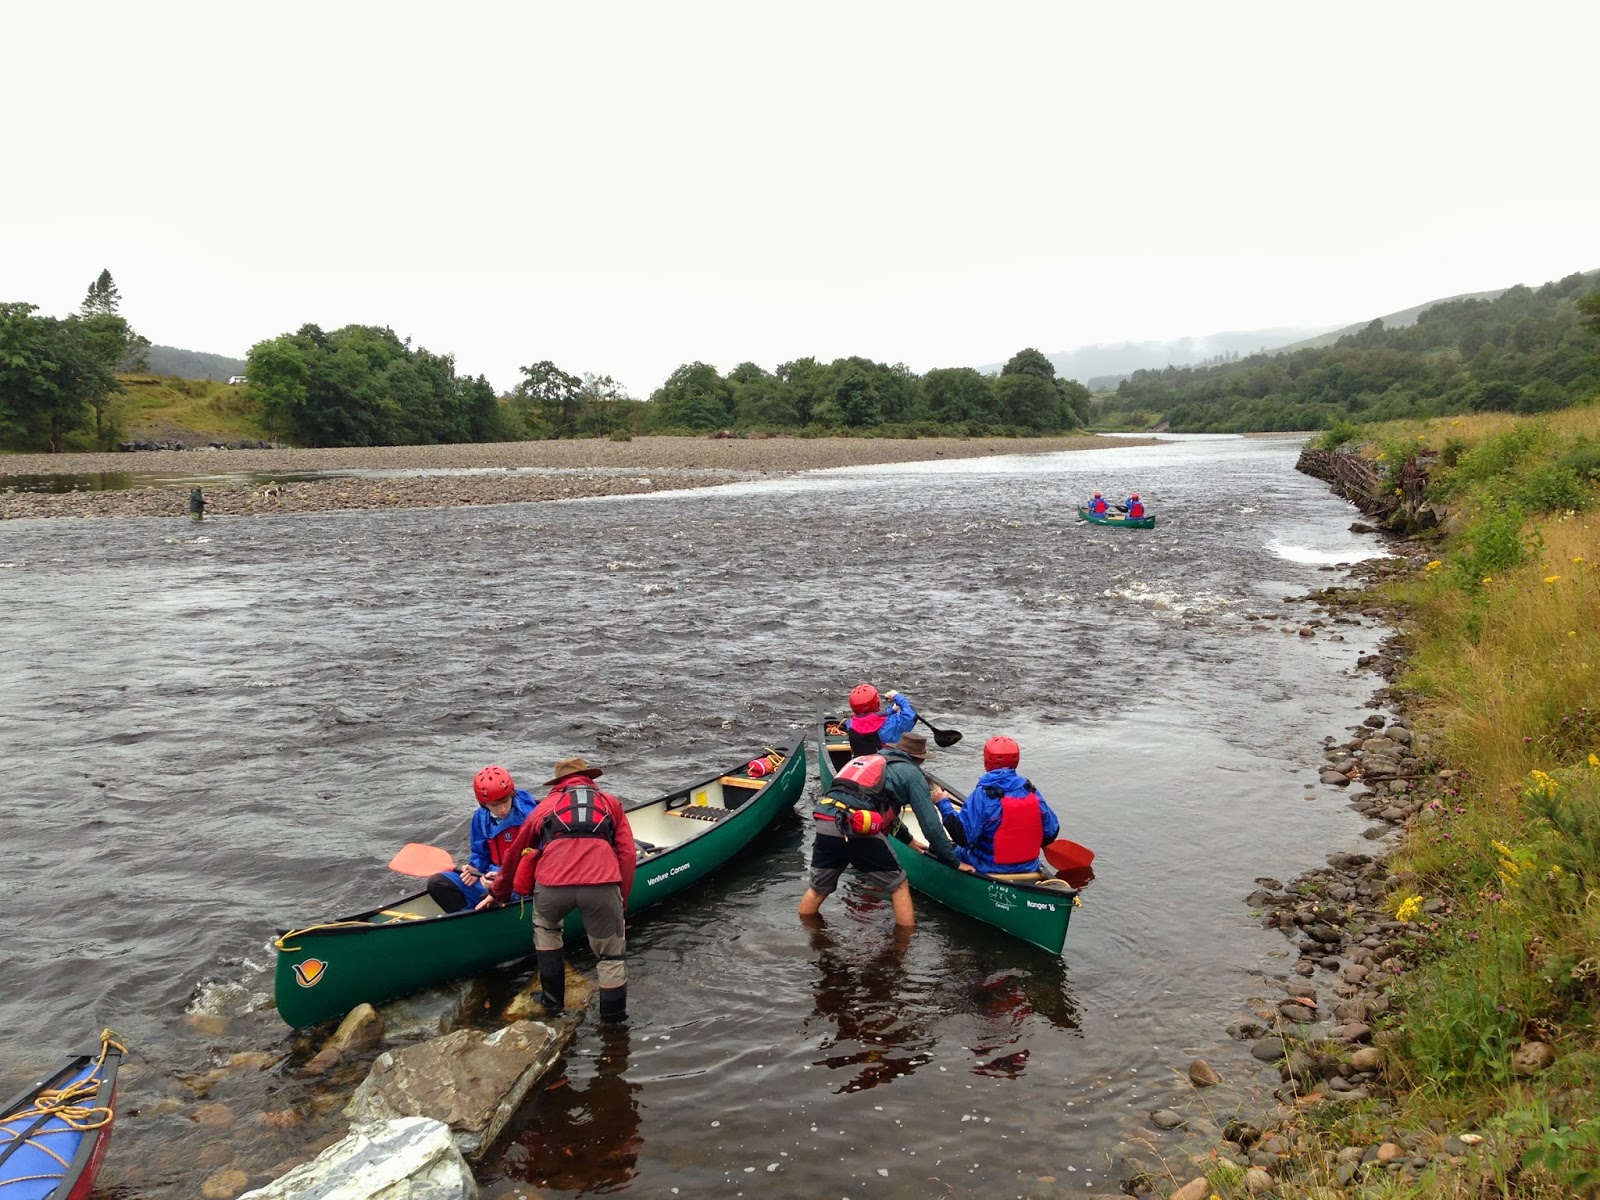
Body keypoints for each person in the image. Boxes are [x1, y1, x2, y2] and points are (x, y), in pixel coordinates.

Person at [479, 755, 638, 1024]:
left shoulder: (544, 808)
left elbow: (515, 854)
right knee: (610, 955)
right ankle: (613, 1023)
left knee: (547, 930)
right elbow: (627, 855)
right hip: (601, 884)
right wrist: (621, 899)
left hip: (552, 887)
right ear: (589, 778)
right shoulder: (611, 804)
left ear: (558, 783)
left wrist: (498, 894)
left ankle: (552, 1002)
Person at [799, 731, 970, 928]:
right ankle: (902, 949)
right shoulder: (912, 774)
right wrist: (953, 861)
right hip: (856, 826)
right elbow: (931, 826)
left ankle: (806, 936)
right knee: (899, 885)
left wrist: (909, 840)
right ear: (919, 760)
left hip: (826, 820)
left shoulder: (868, 759)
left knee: (818, 889)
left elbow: (881, 810)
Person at [935, 736, 1061, 875]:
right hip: (1028, 867)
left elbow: (963, 837)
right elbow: (1051, 832)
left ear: (987, 761)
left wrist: (943, 803)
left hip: (986, 866)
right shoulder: (1030, 790)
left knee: (937, 847)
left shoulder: (982, 795)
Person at [426, 765, 537, 913]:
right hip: (489, 879)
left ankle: (488, 908)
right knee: (438, 883)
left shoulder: (532, 815)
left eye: (505, 801)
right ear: (484, 804)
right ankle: (471, 917)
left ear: (512, 794)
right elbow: (480, 853)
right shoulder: (480, 818)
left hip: (521, 882)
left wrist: (504, 879)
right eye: (495, 805)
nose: (502, 809)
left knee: (496, 893)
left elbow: (541, 858)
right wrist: (475, 869)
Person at [843, 683, 918, 757]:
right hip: (887, 765)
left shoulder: (850, 724)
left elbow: (869, 719)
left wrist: (891, 710)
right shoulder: (890, 725)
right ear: (877, 702)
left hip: (863, 764)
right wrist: (897, 696)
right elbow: (911, 714)